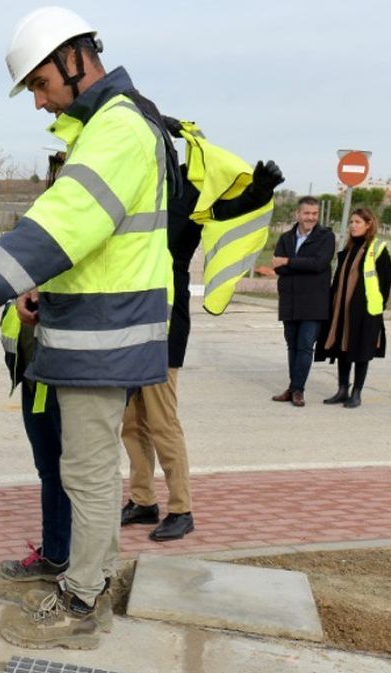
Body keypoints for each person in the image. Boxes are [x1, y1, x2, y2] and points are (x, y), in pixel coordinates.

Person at [0, 6, 176, 649]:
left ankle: (82, 604)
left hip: (103, 338)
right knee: (82, 469)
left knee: (87, 473)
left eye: (40, 84)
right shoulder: (112, 125)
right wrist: (41, 287)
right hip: (93, 328)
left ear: (74, 61)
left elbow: (63, 224)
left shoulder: (118, 128)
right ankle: (88, 586)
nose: (38, 101)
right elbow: (92, 242)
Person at [121, 121, 284, 541]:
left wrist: (259, 193)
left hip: (167, 316)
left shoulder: (189, 195)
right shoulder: (133, 192)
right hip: (129, 315)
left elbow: (225, 213)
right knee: (130, 420)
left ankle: (181, 508)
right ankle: (142, 500)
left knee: (160, 419)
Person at [0, 300, 71, 582]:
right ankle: (56, 554)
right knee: (51, 471)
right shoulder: (28, 261)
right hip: (34, 374)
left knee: (75, 474)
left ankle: (73, 561)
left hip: (63, 375)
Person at [315, 207, 391, 409]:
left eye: (358, 222)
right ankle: (342, 389)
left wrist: (375, 307)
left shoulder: (378, 249)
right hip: (342, 310)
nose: (353, 226)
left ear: (369, 225)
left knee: (361, 351)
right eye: (351, 222)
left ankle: (357, 392)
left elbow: (385, 283)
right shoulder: (348, 249)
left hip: (366, 313)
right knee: (343, 349)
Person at [271, 195, 334, 407]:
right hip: (290, 301)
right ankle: (292, 387)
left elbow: (318, 264)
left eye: (314, 214)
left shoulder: (326, 237)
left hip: (313, 303)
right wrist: (297, 265)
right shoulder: (285, 238)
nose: (311, 218)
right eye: (306, 213)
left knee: (306, 346)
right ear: (297, 214)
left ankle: (298, 390)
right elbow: (277, 267)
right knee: (293, 346)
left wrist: (289, 261)